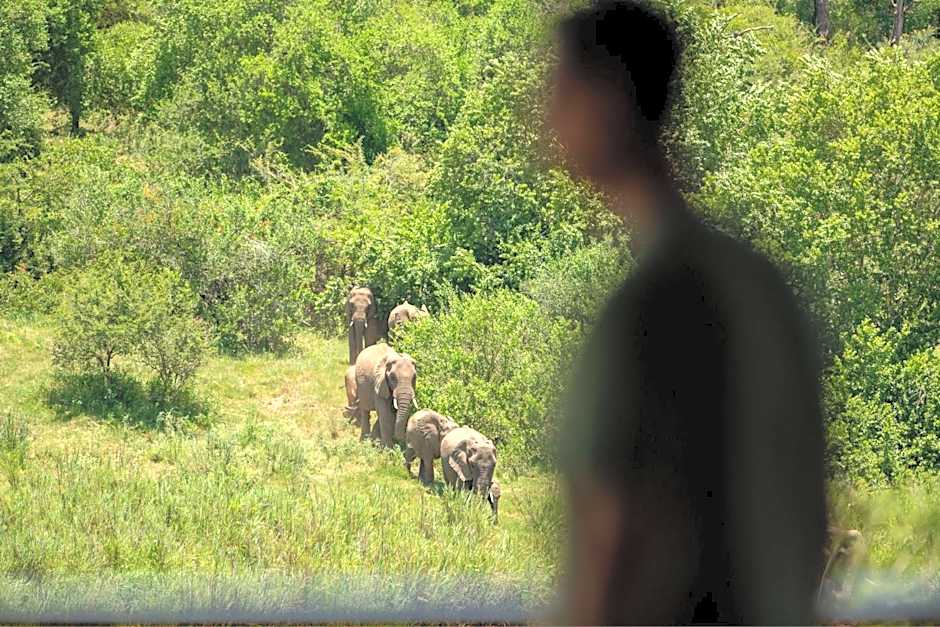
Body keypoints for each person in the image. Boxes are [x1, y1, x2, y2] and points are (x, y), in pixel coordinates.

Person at [549, 1, 827, 624]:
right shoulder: (760, 283)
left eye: (559, 91)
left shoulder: (654, 307)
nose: (543, 118)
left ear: (607, 101)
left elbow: (617, 550)